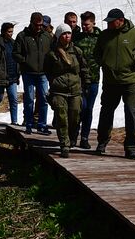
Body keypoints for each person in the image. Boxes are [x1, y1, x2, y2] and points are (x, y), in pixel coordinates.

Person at [94, 8, 135, 159]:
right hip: (110, 82)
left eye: (111, 22)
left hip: (130, 82)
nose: (108, 25)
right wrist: (103, 63)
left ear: (120, 20)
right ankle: (101, 143)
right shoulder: (104, 35)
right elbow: (96, 53)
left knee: (132, 114)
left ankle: (131, 147)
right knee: (106, 112)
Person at [44, 25, 85, 157]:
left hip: (75, 90)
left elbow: (84, 68)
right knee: (62, 117)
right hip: (59, 91)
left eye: (69, 33)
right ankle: (64, 144)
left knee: (74, 116)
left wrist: (86, 83)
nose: (67, 36)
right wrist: (54, 82)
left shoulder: (77, 51)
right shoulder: (52, 53)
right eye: (64, 34)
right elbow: (47, 70)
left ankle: (72, 137)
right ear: (58, 36)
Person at [14, 12, 53, 135]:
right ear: (31, 23)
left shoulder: (47, 37)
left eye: (41, 25)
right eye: (36, 25)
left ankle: (42, 124)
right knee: (29, 99)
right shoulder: (22, 36)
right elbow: (15, 53)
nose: (39, 27)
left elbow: (53, 53)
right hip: (28, 73)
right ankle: (29, 124)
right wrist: (25, 61)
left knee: (43, 99)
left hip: (43, 73)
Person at [73, 11, 101, 149]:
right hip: (79, 80)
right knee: (79, 108)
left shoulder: (100, 37)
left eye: (87, 25)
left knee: (89, 109)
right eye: (83, 24)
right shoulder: (77, 38)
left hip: (94, 79)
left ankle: (84, 138)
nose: (84, 27)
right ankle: (73, 136)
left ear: (93, 23)